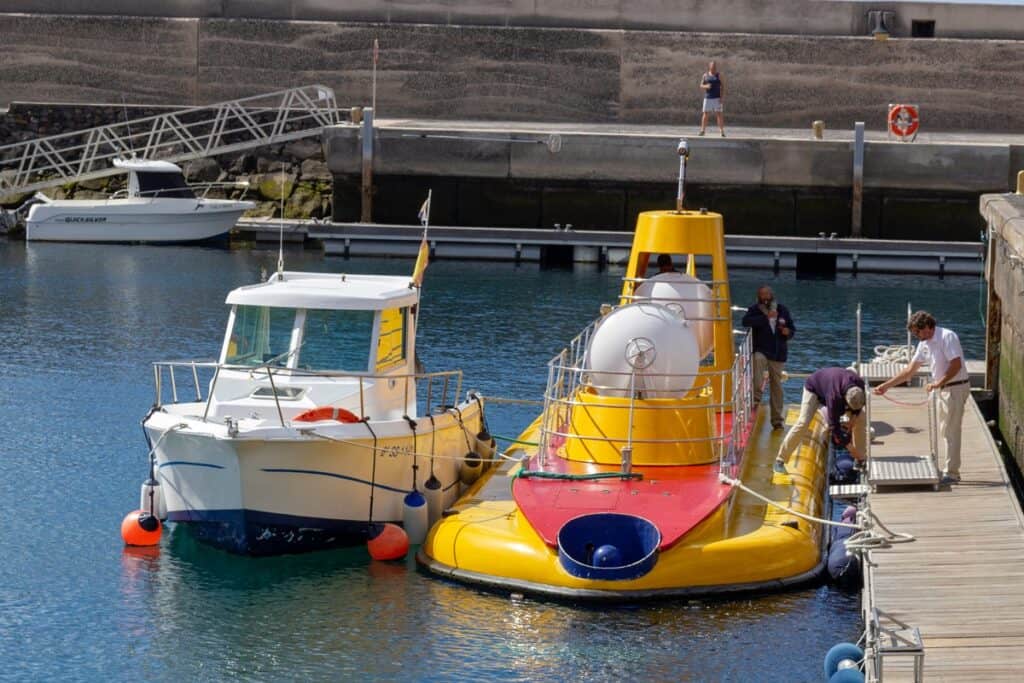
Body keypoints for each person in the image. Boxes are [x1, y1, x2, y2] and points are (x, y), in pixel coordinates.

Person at [874, 311, 969, 484]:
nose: (916, 336)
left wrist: (938, 383)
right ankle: (950, 469)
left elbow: (956, 364)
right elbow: (910, 371)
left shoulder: (947, 336)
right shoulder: (924, 343)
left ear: (927, 327)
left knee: (951, 431)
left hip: (955, 388)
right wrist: (886, 386)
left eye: (917, 332)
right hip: (943, 389)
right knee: (945, 430)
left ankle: (952, 473)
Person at [775, 367, 866, 474]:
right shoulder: (834, 397)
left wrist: (853, 421)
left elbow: (859, 408)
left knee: (861, 419)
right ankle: (780, 459)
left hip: (832, 385)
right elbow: (834, 426)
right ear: (845, 399)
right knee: (803, 423)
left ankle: (860, 460)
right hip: (814, 389)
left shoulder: (860, 384)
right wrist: (849, 446)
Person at [742, 285, 794, 429]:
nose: (765, 297)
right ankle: (755, 398)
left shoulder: (782, 310)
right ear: (759, 296)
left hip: (778, 353)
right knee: (758, 360)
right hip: (761, 349)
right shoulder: (754, 310)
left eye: (767, 294)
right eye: (762, 295)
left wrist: (787, 332)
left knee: (776, 387)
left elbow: (792, 329)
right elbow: (745, 322)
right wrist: (765, 317)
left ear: (772, 295)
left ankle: (777, 420)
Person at [699, 61, 725, 137]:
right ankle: (702, 130)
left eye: (715, 67)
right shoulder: (705, 75)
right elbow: (701, 85)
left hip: (717, 98)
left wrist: (721, 97)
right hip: (708, 98)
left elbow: (723, 86)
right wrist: (706, 86)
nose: (714, 68)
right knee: (705, 114)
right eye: (712, 67)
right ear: (709, 67)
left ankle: (721, 131)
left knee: (719, 114)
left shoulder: (719, 75)